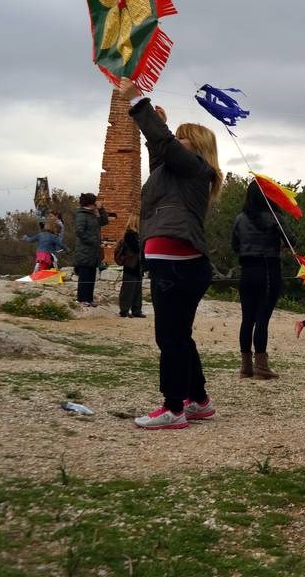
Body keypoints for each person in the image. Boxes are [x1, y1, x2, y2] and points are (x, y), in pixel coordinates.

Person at [118, 78, 222, 430]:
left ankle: (174, 408)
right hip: (174, 263)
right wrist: (157, 129)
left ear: (197, 147)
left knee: (170, 337)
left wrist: (137, 101)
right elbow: (160, 158)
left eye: (182, 136)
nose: (175, 140)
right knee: (178, 335)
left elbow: (164, 145)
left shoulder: (195, 168)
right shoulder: (176, 172)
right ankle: (199, 401)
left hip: (179, 264)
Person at [233, 181, 293, 379]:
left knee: (247, 318)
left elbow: (235, 245)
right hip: (268, 269)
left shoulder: (240, 219)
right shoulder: (275, 218)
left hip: (247, 271)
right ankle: (261, 365)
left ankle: (245, 366)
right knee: (262, 319)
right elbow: (292, 241)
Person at [73, 193, 111, 307]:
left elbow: (104, 221)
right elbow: (79, 231)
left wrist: (101, 209)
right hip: (85, 251)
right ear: (92, 203)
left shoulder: (93, 214)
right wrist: (93, 241)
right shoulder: (81, 215)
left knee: (91, 276)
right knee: (84, 276)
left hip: (93, 252)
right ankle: (82, 299)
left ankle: (89, 299)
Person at [117, 213, 146, 318]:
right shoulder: (130, 235)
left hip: (137, 265)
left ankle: (136, 309)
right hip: (131, 265)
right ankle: (124, 310)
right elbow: (136, 248)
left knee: (137, 289)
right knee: (128, 289)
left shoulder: (137, 235)